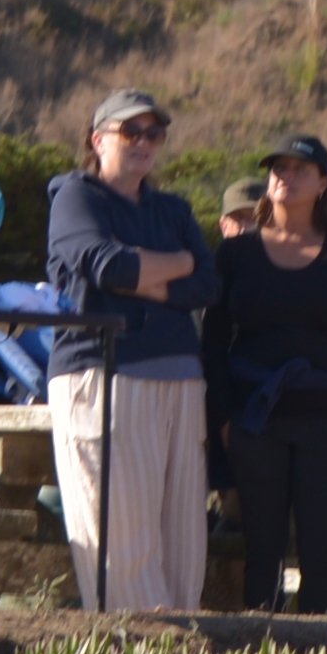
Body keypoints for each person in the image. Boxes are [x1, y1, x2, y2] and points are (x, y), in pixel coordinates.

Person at [47, 88, 215, 614]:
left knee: (183, 542)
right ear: (98, 140)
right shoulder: (76, 197)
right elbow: (107, 266)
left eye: (153, 133)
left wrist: (147, 271)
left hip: (181, 380)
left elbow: (209, 284)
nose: (144, 142)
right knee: (121, 537)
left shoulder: (173, 209)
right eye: (130, 131)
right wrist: (178, 263)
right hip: (106, 374)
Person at [208, 132, 327, 607]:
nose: (286, 177)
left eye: (300, 169)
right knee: (262, 555)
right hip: (254, 422)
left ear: (323, 182)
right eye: (278, 169)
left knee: (321, 558)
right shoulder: (236, 256)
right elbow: (214, 341)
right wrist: (224, 420)